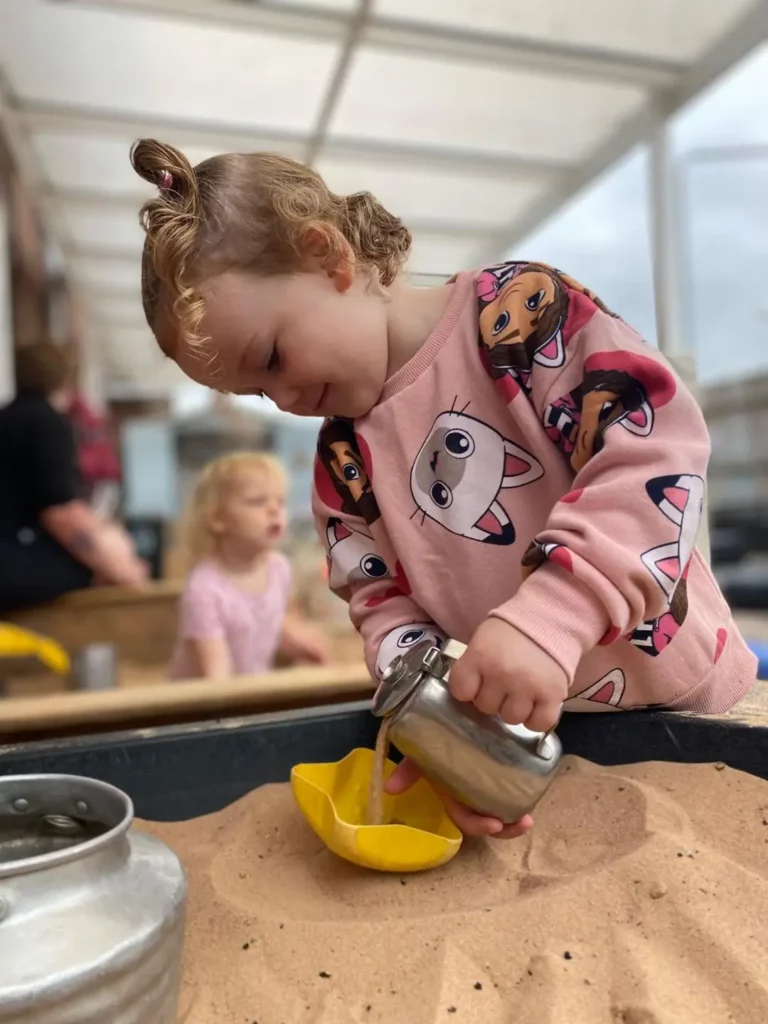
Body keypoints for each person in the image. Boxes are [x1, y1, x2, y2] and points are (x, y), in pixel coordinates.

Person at [130, 139, 757, 838]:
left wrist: (552, 616)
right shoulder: (343, 461)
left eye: (273, 358)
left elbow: (654, 451)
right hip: (552, 746)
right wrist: (446, 741)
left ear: (327, 256)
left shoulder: (518, 318)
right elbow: (383, 609)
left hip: (694, 706)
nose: (282, 400)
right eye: (255, 393)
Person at [0, 342, 147, 611]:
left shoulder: (8, 416)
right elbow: (60, 513)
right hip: (12, 563)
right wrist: (121, 568)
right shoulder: (46, 422)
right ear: (65, 378)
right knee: (97, 564)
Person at [169, 451, 327, 680]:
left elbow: (270, 620)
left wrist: (299, 641)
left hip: (248, 690)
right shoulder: (204, 590)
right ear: (217, 519)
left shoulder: (279, 568)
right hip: (202, 707)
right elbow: (216, 678)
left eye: (280, 501)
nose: (275, 510)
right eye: (257, 501)